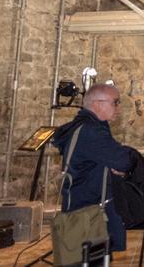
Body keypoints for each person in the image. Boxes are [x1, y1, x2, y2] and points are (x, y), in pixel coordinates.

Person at [51, 83, 135, 254]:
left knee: (91, 260)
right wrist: (124, 162)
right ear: (97, 104)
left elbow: (111, 159)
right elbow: (123, 160)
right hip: (87, 214)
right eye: (115, 102)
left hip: (84, 209)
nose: (118, 108)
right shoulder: (91, 132)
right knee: (87, 260)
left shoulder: (85, 127)